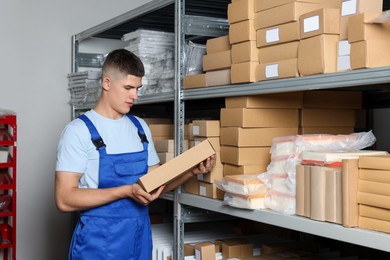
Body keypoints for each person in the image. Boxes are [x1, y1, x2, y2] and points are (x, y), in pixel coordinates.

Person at [55, 48, 216, 259]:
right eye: (128, 88)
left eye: (138, 88)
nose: (135, 96)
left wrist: (190, 171)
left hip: (139, 240)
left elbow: (156, 183)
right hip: (98, 243)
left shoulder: (139, 127)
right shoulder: (78, 131)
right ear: (106, 83)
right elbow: (64, 199)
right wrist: (126, 191)